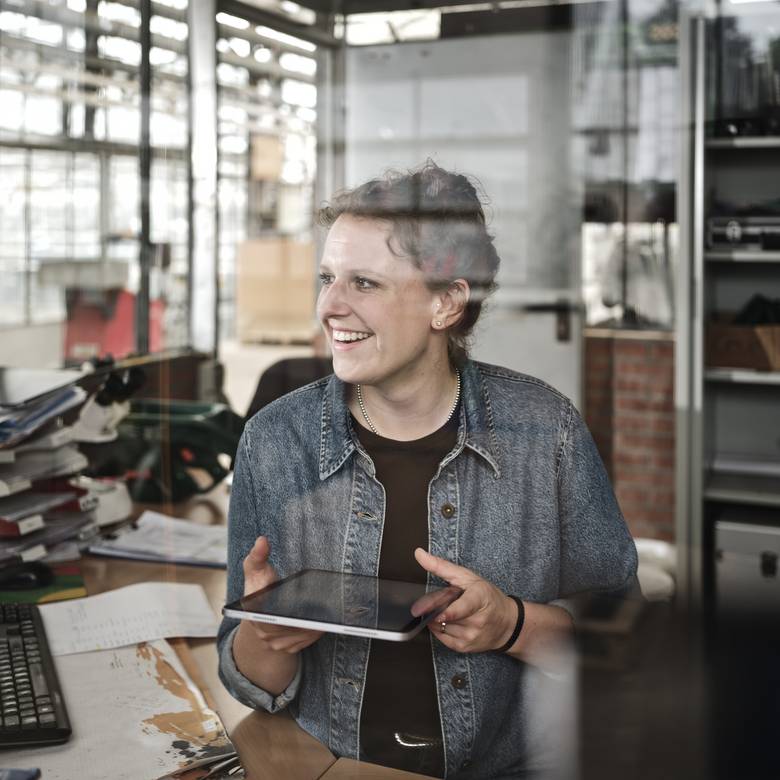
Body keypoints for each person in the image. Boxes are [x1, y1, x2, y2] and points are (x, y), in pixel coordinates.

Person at [218, 161, 638, 779]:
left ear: (446, 302)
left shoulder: (544, 430)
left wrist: (511, 624)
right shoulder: (275, 440)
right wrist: (264, 634)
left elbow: (620, 642)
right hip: (332, 765)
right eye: (328, 278)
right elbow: (249, 680)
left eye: (364, 283)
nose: (329, 306)